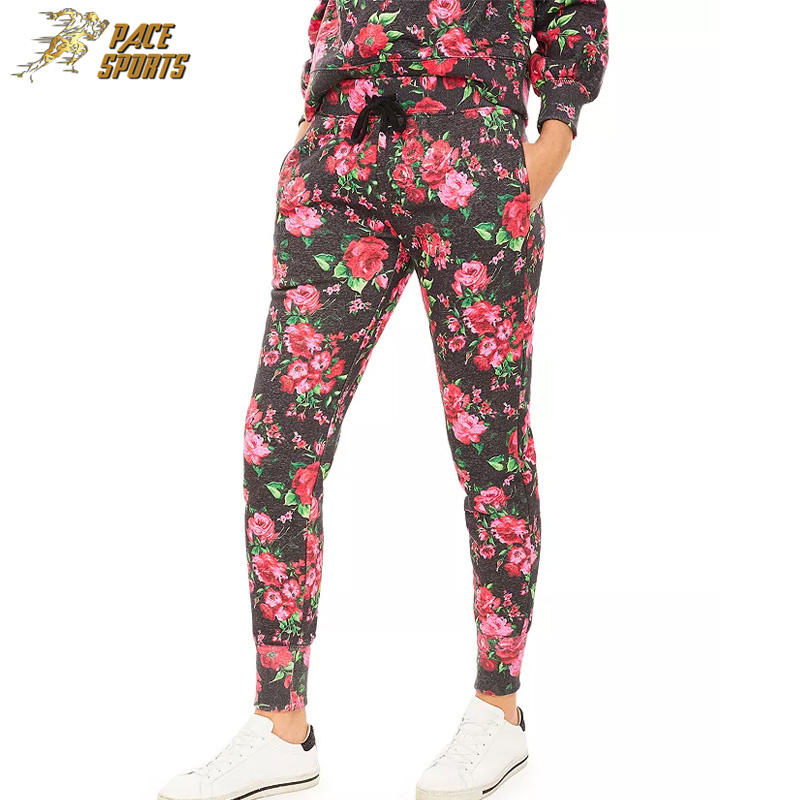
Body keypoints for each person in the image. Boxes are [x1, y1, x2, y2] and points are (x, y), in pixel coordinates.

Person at [159, 2, 608, 798]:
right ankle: (281, 724)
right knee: (278, 442)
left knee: (489, 441)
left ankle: (497, 710)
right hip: (338, 161)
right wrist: (314, 117)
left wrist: (552, 140)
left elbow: (573, 16)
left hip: (474, 161)